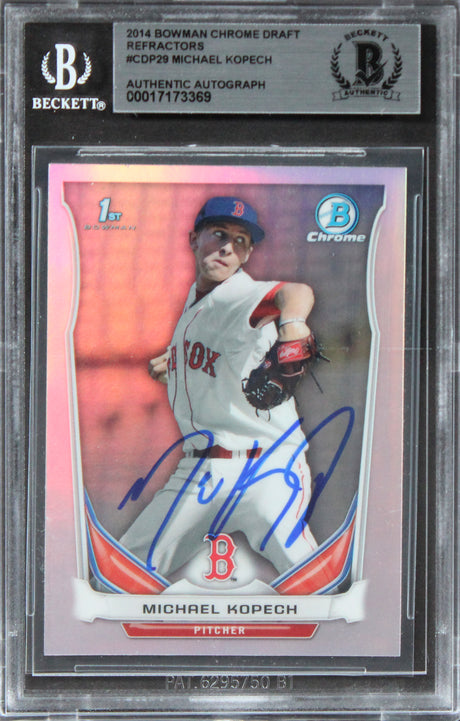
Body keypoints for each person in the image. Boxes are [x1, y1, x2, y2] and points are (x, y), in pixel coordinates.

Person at [120, 196, 318, 579]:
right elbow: (224, 354)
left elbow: (295, 292)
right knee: (125, 571)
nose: (228, 247)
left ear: (247, 255)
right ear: (194, 239)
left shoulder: (240, 294)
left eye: (240, 241)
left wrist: (293, 323)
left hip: (267, 471)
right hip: (200, 471)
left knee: (311, 581)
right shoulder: (199, 300)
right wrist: (177, 368)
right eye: (219, 234)